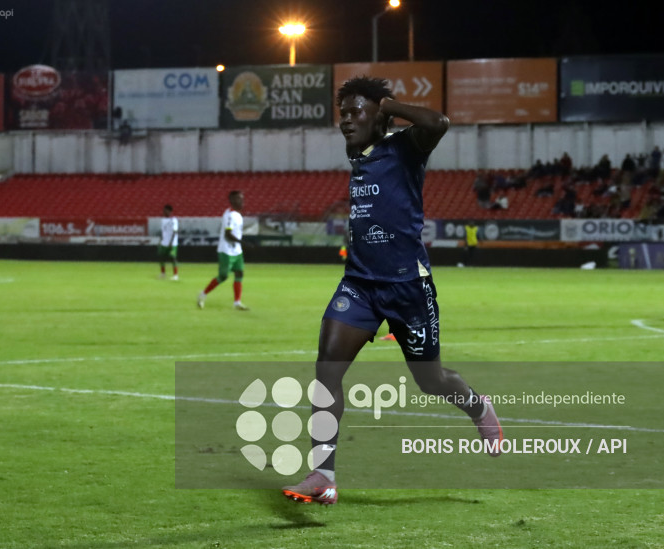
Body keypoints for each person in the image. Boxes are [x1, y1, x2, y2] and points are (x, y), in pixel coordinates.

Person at [282, 76, 503, 505]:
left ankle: (478, 407)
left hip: (408, 286)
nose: (345, 121)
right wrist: (370, 112)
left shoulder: (406, 146)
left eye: (354, 112)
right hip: (360, 283)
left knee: (431, 379)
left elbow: (438, 121)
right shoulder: (357, 151)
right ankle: (323, 476)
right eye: (342, 113)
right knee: (327, 368)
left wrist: (387, 104)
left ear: (379, 115)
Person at [196, 190, 248, 310]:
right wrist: (242, 242)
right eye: (239, 199)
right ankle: (203, 294)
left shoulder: (237, 215)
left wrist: (239, 243)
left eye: (242, 198)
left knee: (239, 272)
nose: (242, 201)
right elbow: (227, 235)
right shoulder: (230, 215)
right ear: (232, 201)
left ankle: (237, 302)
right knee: (223, 276)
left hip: (236, 250)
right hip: (226, 250)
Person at [157, 204, 179, 280]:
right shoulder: (163, 220)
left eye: (165, 210)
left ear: (169, 211)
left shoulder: (174, 220)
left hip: (172, 243)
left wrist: (171, 242)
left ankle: (175, 275)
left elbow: (175, 232)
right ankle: (163, 273)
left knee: (173, 258)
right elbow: (163, 232)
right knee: (161, 257)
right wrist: (160, 241)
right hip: (164, 243)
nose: (163, 212)